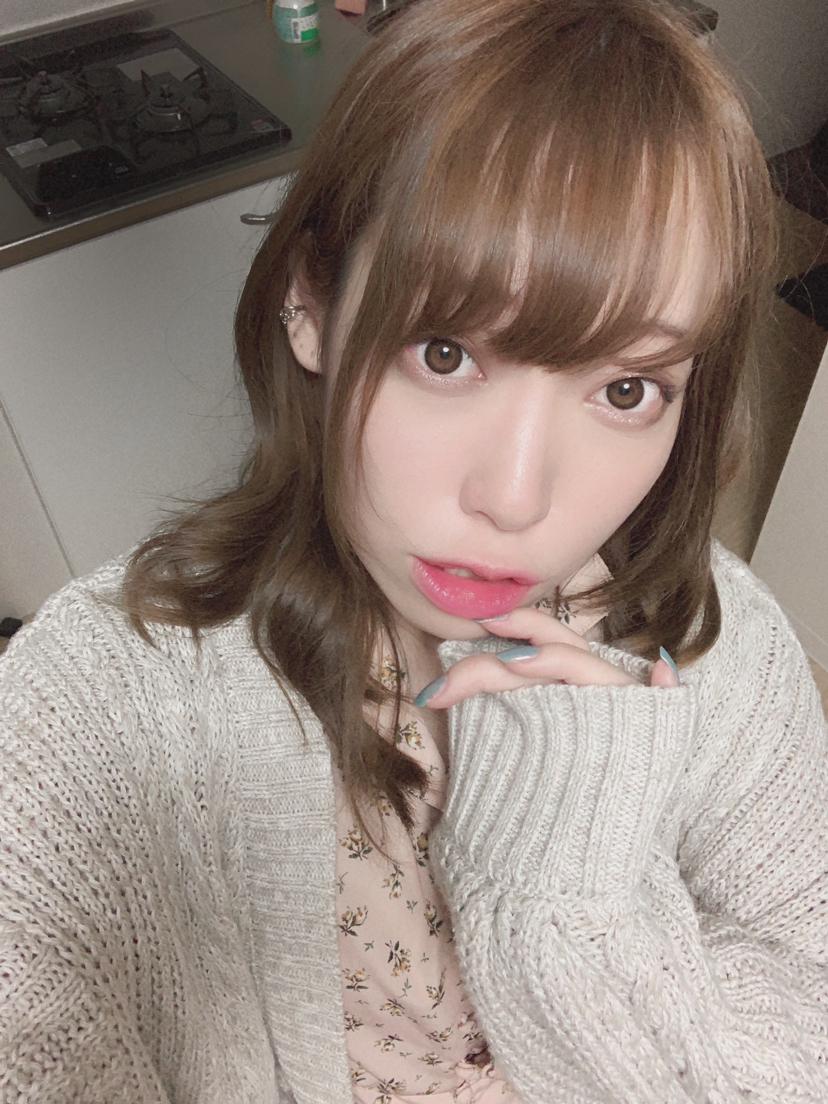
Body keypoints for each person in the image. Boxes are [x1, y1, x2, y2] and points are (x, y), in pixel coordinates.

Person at [1, 0, 826, 1100]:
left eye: (628, 390)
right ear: (309, 302)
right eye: (446, 353)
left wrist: (569, 886)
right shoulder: (97, 701)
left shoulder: (725, 654)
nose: (516, 499)